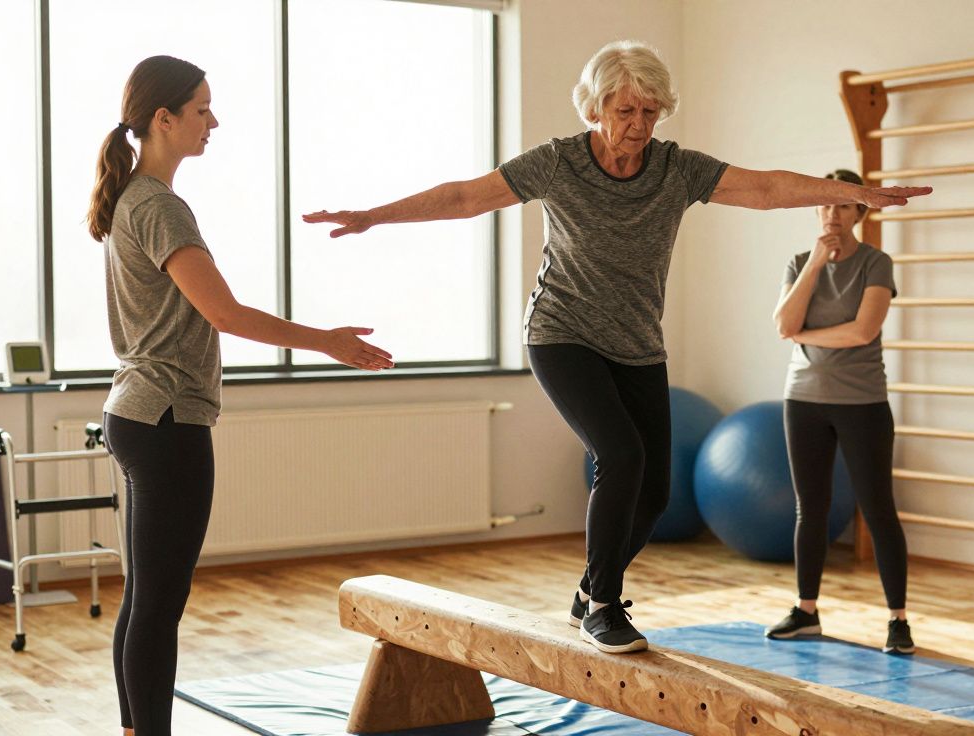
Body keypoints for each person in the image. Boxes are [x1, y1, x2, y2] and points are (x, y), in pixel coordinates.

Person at [303, 41, 929, 655]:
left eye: (650, 112)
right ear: (594, 109)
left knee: (655, 490)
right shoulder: (558, 162)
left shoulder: (676, 168)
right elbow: (469, 197)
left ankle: (586, 592)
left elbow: (763, 188)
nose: (638, 125)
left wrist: (857, 196)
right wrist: (373, 216)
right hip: (562, 332)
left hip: (636, 343)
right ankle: (603, 604)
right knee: (621, 454)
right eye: (625, 111)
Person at [88, 55, 393, 736]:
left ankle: (137, 730)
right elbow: (223, 312)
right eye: (201, 109)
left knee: (146, 597)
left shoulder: (130, 198)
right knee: (159, 601)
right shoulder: (158, 205)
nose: (213, 121)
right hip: (166, 418)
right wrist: (329, 341)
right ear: (162, 119)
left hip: (137, 411)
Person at [766, 169, 914, 655]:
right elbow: (783, 322)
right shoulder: (797, 261)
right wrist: (814, 264)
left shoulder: (876, 263)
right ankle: (806, 611)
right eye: (825, 204)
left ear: (859, 212)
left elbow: (861, 332)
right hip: (803, 399)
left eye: (842, 205)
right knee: (810, 509)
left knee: (878, 509)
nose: (832, 213)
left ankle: (898, 619)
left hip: (862, 402)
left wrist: (805, 337)